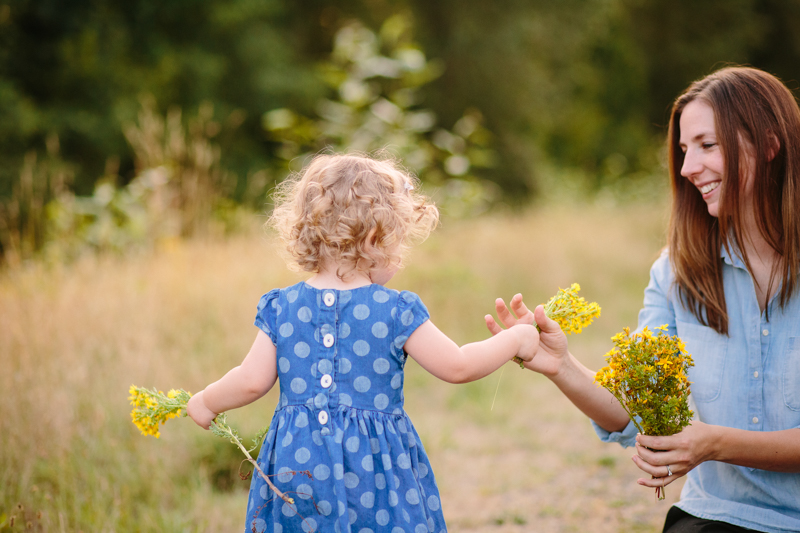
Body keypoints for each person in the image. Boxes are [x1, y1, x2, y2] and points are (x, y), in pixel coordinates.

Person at [487, 66, 800, 533]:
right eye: (683, 150)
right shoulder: (677, 272)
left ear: (770, 145)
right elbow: (633, 409)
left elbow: (708, 442)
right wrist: (560, 365)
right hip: (718, 517)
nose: (688, 167)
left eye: (707, 145)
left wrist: (715, 443)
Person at [186, 153, 540, 533]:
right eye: (397, 243)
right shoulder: (396, 310)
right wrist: (516, 338)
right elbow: (458, 365)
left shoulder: (281, 307)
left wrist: (206, 400)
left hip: (298, 467)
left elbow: (251, 380)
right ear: (374, 239)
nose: (400, 258)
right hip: (375, 470)